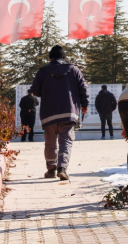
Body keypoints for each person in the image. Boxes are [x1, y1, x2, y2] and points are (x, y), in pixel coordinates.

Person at [30, 45, 89, 180]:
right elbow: (83, 89)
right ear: (64, 58)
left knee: (50, 142)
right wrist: (84, 104)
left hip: (48, 113)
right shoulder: (74, 70)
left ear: (50, 58)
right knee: (66, 141)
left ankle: (51, 169)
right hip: (69, 112)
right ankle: (62, 168)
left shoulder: (43, 71)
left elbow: (35, 90)